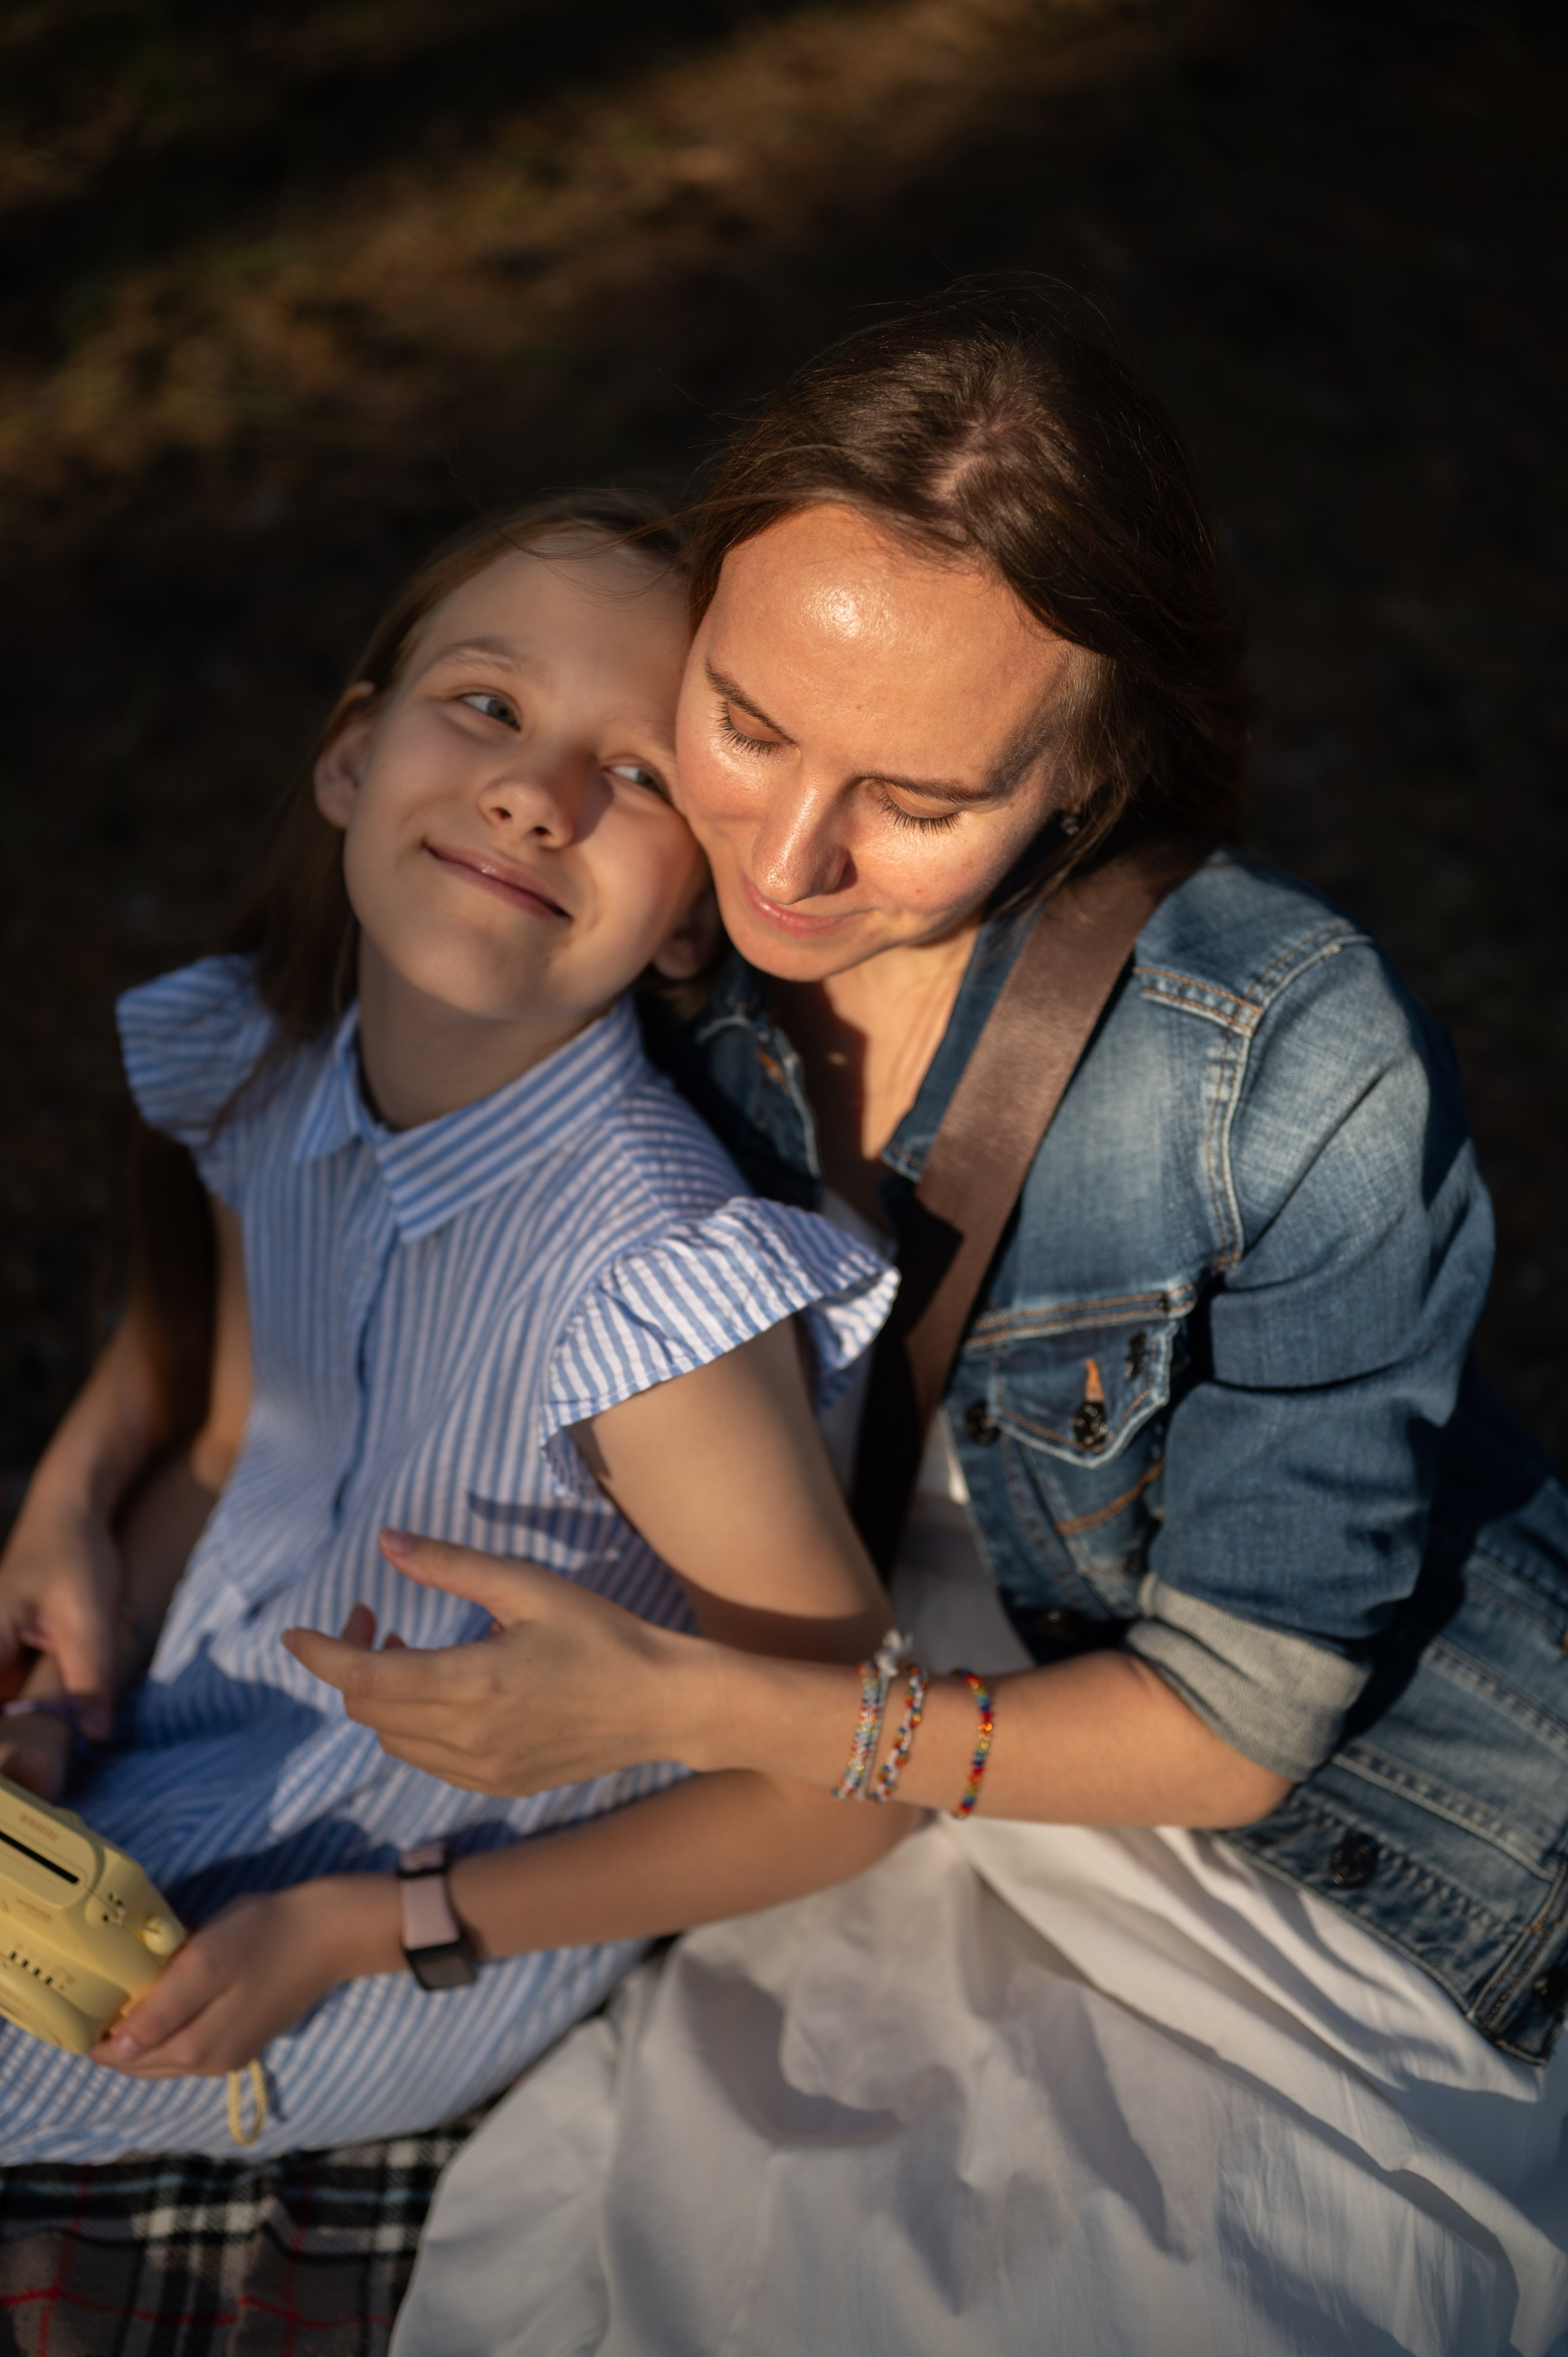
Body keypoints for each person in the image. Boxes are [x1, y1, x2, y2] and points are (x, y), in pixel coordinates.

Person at [290, 287, 1566, 2355]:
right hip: (821, 1706)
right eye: (749, 721)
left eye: (920, 797)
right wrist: (85, 1494)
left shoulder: (1298, 1073)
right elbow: (326, 1128)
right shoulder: (633, 878)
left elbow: (1242, 1732)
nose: (785, 856)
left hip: (1320, 1843)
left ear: (1091, 770)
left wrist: (691, 1719)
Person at [0, 491, 905, 2163]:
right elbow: (234, 1423)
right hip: (161, 1752)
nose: (535, 791)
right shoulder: (274, 1070)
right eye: (487, 704)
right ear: (352, 757)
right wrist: (71, 1529)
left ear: (700, 912)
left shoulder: (646, 1291)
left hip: (350, 1929)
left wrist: (373, 1926)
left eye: (639, 777)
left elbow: (851, 1777)